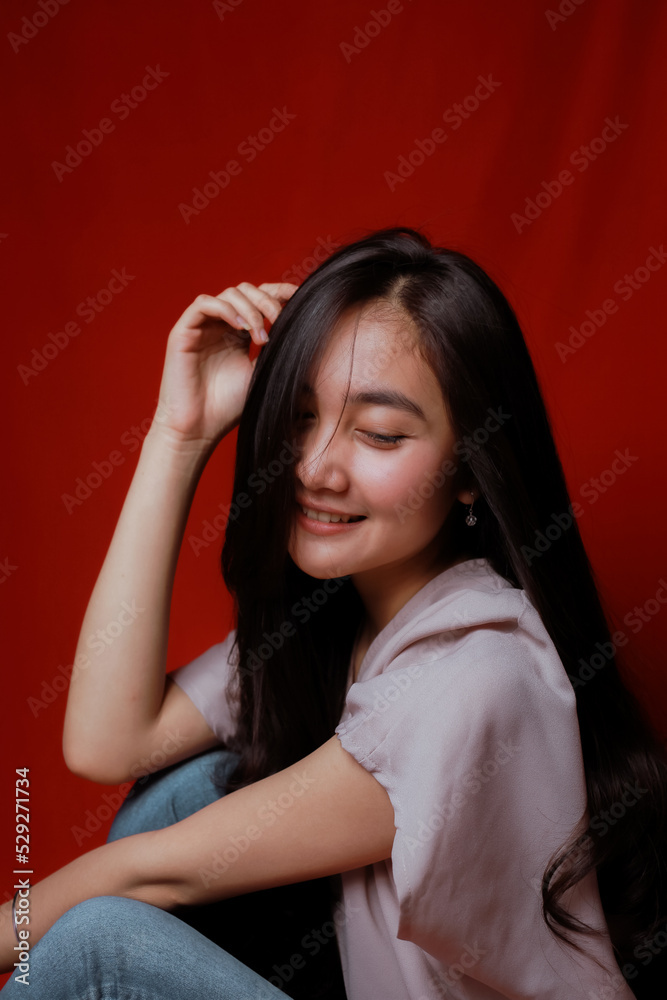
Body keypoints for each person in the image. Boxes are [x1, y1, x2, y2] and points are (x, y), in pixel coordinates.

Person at [1, 226, 666, 999]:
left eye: (379, 433)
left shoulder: (476, 674)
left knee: (97, 944)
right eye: (299, 416)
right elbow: (107, 744)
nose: (315, 468)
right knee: (194, 786)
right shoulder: (340, 622)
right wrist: (178, 435)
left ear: (469, 471)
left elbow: (150, 874)